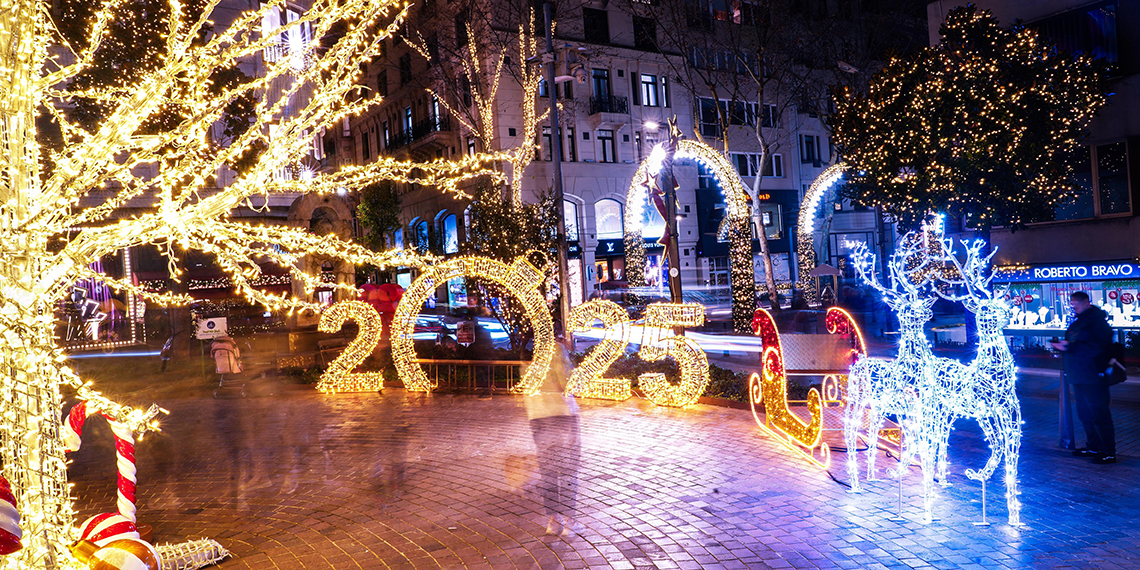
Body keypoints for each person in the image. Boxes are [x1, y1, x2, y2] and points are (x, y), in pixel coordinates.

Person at [1051, 292, 1116, 464]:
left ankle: (1108, 451)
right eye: (1072, 304)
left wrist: (1069, 347)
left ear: (1087, 303)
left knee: (1099, 413)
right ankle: (1094, 446)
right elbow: (1080, 345)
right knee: (1085, 413)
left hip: (1093, 375)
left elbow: (1098, 349)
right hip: (1080, 374)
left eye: (1076, 304)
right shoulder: (1081, 322)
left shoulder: (1097, 323)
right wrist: (1065, 346)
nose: (1074, 307)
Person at [524, 338, 581, 536]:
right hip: (562, 415)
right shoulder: (555, 350)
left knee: (548, 471)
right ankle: (569, 521)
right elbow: (568, 382)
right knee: (568, 469)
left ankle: (553, 520)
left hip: (538, 416)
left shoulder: (530, 352)